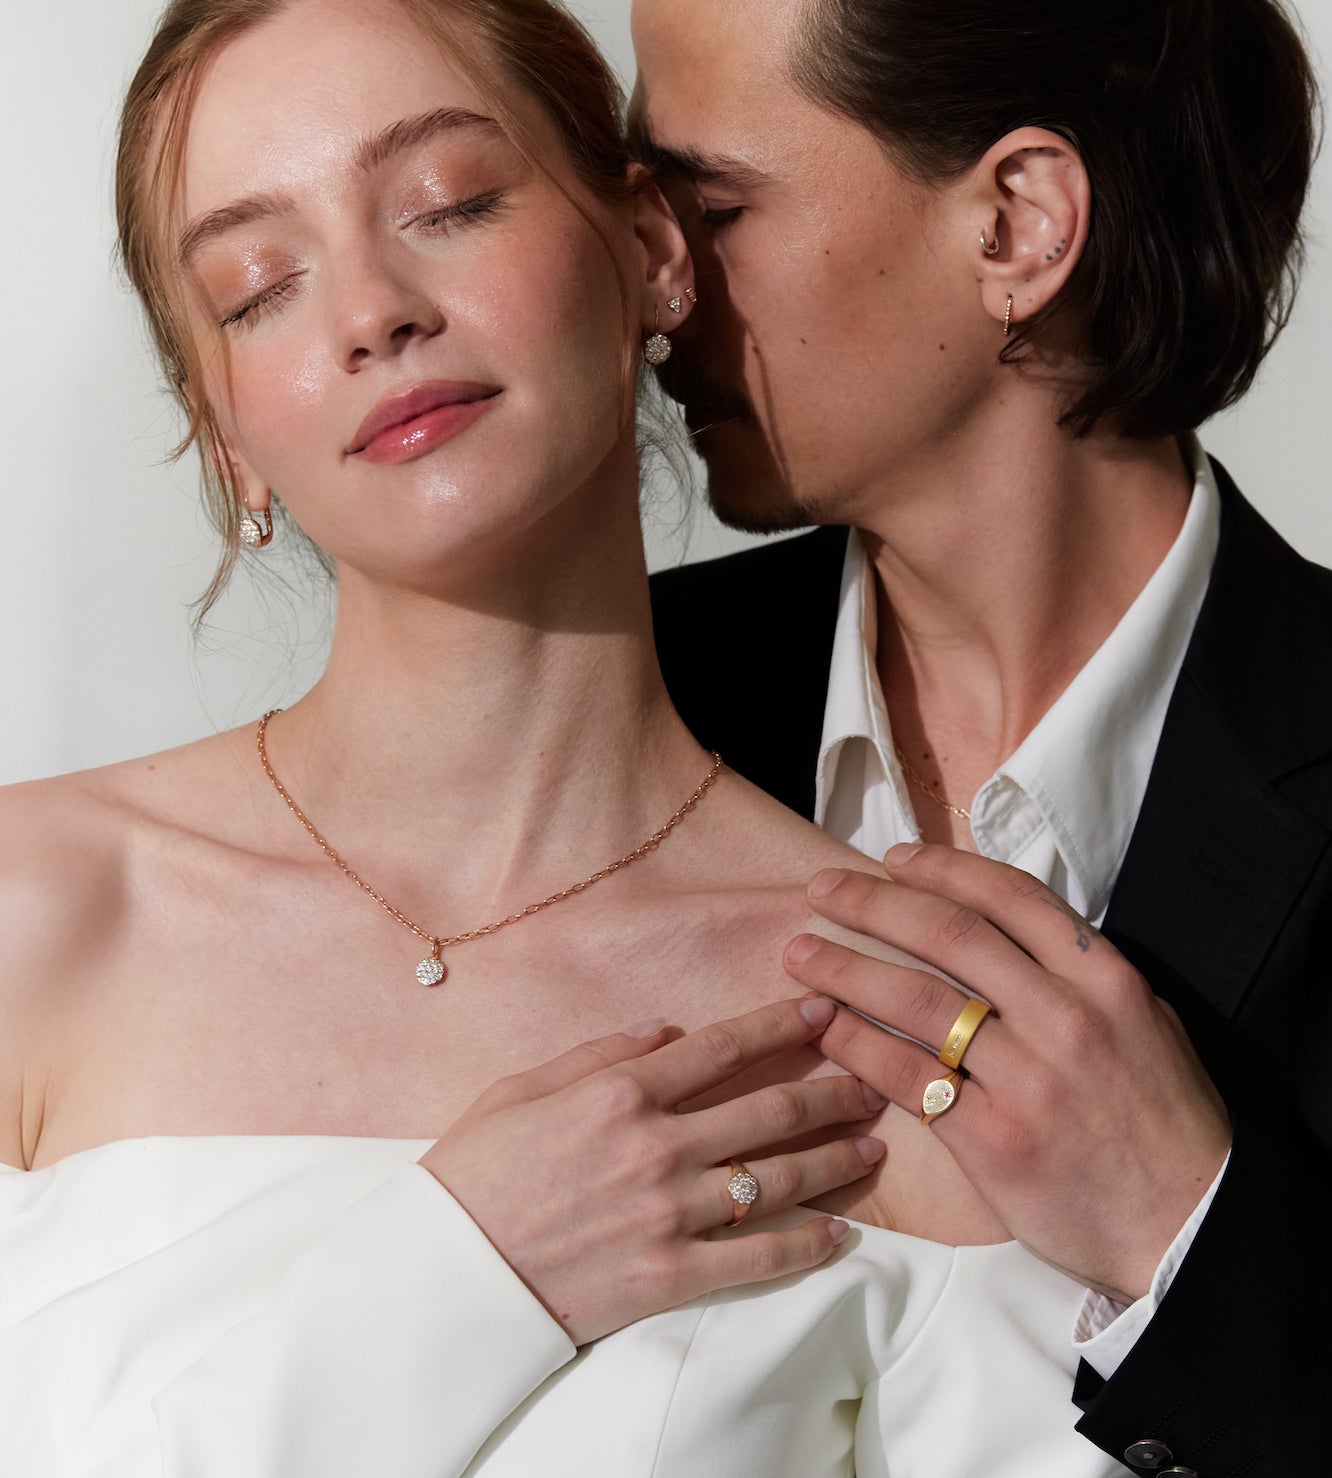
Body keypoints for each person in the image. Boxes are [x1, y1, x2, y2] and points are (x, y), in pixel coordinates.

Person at [0, 1, 1130, 1474]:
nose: (371, 309)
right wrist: (461, 1274)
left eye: (450, 205)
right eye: (259, 285)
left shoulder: (881, 1025)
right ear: (224, 431)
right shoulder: (35, 914)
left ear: (650, 253)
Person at [633, 0, 1332, 1472]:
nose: (656, 293)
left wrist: (1190, 1226)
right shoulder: (619, 703)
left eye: (714, 209)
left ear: (1018, 225)